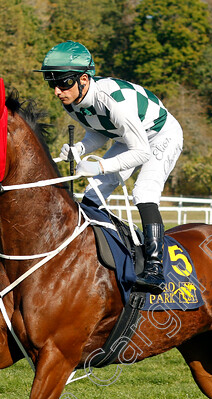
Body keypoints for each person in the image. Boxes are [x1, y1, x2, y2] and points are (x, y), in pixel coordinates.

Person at [35, 40, 184, 295]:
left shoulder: (113, 100)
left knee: (144, 192)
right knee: (93, 197)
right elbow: (100, 133)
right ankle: (95, 258)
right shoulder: (72, 102)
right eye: (53, 84)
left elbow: (141, 152)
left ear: (83, 79)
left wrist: (101, 165)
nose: (58, 91)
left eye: (64, 83)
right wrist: (79, 149)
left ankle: (155, 268)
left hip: (161, 136)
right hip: (129, 139)